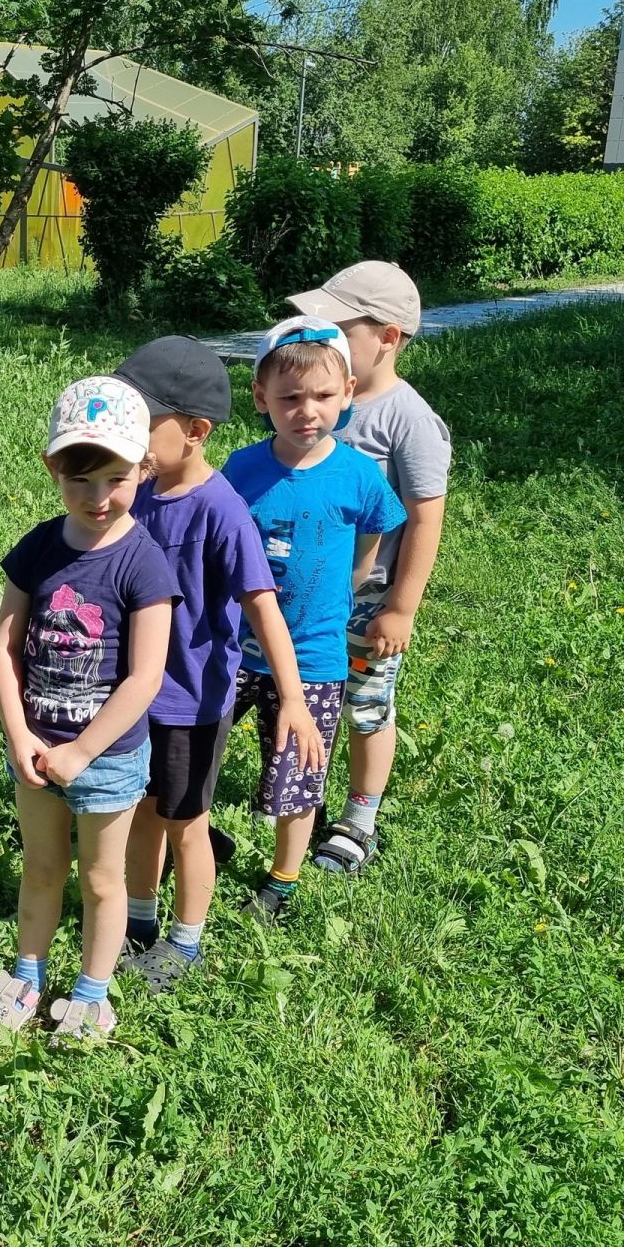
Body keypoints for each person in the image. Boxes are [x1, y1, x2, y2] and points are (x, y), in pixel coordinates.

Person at [109, 337, 317, 992]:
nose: (129, 440)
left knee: (186, 823)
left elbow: (263, 610)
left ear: (195, 432)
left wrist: (294, 699)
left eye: (143, 425)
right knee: (142, 811)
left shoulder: (221, 509)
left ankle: (186, 942)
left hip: (191, 702)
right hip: (132, 696)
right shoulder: (138, 490)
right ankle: (139, 922)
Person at [0, 377, 179, 1042]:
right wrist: (19, 737)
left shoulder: (143, 563)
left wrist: (82, 751)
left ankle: (92, 996)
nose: (98, 498)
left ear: (144, 470)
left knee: (100, 878)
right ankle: (25, 981)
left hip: (108, 760)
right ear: (52, 468)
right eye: (81, 480)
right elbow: (3, 650)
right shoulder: (38, 548)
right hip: (36, 749)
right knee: (40, 868)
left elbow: (146, 678)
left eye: (116, 479)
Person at [222, 318, 405, 918]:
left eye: (324, 396)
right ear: (261, 399)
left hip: (317, 654)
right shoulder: (242, 469)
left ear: (349, 392)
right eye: (290, 398)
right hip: (233, 646)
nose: (307, 411)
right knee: (199, 747)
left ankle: (283, 879)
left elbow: (374, 535)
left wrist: (346, 592)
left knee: (297, 770)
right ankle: (187, 836)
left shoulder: (358, 474)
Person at [279, 262, 451, 872]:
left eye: (337, 326)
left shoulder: (409, 420)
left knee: (366, 706)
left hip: (369, 604)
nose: (319, 336)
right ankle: (303, 799)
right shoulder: (319, 402)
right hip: (303, 600)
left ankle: (360, 817)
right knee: (303, 697)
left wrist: (401, 607)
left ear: (389, 338)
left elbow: (425, 517)